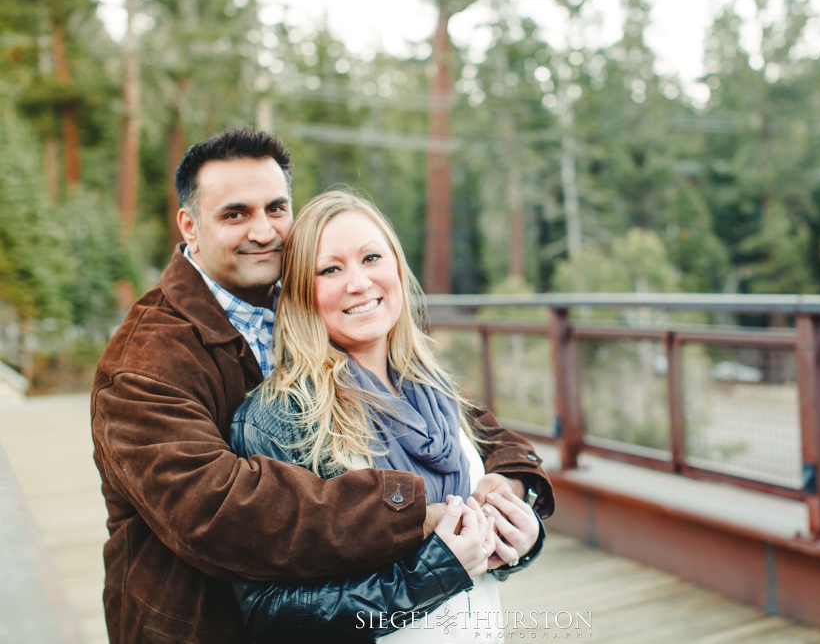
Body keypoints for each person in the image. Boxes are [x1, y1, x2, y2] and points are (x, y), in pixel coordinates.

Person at [90, 127, 553, 643]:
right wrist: (424, 517)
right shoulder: (145, 362)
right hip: (199, 624)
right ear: (190, 226)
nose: (263, 231)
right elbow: (219, 514)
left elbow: (477, 429)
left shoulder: (325, 304)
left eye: (276, 208)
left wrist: (513, 498)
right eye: (235, 214)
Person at [228, 189, 548, 642]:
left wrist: (522, 541)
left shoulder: (436, 390)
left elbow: (484, 548)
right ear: (301, 292)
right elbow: (271, 613)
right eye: (331, 269)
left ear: (397, 267)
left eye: (371, 258)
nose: (358, 283)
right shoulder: (281, 419)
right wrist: (432, 574)